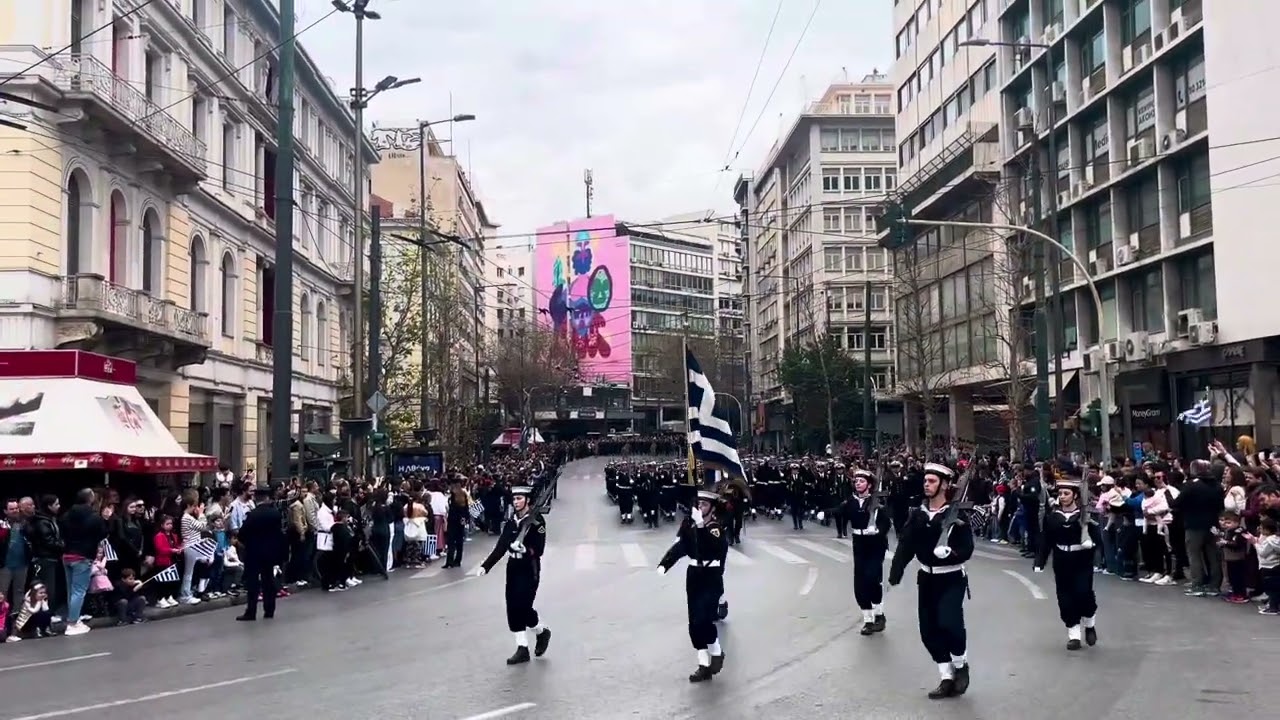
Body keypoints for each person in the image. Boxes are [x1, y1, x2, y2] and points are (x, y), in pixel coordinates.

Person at [887, 462, 974, 700]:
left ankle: (961, 665)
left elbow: (967, 547)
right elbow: (906, 544)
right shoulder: (918, 514)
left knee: (950, 621)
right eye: (925, 480)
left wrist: (952, 553)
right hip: (926, 578)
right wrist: (896, 572)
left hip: (952, 577)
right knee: (928, 630)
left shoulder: (957, 514)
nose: (926, 484)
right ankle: (946, 676)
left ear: (945, 485)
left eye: (932, 481)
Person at [657, 489, 729, 683]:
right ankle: (703, 665)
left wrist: (699, 525)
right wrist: (665, 564)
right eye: (699, 504)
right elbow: (682, 547)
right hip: (694, 575)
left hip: (710, 575)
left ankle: (716, 652)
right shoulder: (691, 526)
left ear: (712, 509)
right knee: (694, 623)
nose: (700, 507)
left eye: (705, 505)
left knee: (705, 620)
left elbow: (713, 548)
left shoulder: (715, 528)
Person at [474, 485, 551, 665]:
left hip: (529, 568)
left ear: (527, 500)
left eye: (520, 498)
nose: (516, 502)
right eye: (514, 499)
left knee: (524, 607)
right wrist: (486, 566)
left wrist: (526, 549)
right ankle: (522, 647)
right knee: (512, 606)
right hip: (514, 567)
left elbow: (539, 549)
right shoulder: (511, 522)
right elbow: (501, 547)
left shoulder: (537, 522)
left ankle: (541, 632)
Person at [1032, 470, 1102, 650]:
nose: (1062, 497)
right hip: (1062, 560)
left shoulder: (1085, 516)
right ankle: (1074, 635)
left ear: (1076, 495)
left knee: (1083, 593)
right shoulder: (1053, 518)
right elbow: (1046, 541)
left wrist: (1091, 544)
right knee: (1065, 599)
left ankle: (1089, 624)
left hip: (1081, 560)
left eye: (1066, 493)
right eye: (1060, 494)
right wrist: (1040, 560)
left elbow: (1098, 539)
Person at [819, 469, 892, 635]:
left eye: (861, 481)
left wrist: (878, 531)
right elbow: (839, 510)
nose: (858, 483)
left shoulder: (876, 504)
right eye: (856, 481)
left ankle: (879, 614)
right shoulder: (851, 502)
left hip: (875, 545)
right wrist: (826, 513)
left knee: (873, 578)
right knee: (860, 583)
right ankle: (868, 619)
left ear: (869, 484)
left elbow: (886, 524)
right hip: (859, 544)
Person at [236, 486, 285, 622]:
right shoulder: (275, 513)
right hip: (271, 552)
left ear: (257, 498)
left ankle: (251, 611)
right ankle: (269, 609)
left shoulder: (253, 515)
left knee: (253, 582)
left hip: (254, 552)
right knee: (268, 580)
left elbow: (242, 534)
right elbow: (278, 534)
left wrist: (248, 543)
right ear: (268, 498)